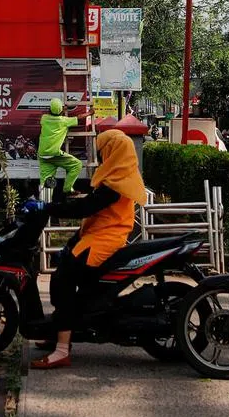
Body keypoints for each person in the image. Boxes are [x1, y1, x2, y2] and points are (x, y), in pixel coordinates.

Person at [31, 129, 146, 370]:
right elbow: (90, 207)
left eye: (103, 151)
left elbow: (85, 208)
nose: (101, 156)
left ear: (113, 152)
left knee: (64, 279)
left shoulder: (116, 183)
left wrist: (48, 208)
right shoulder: (118, 175)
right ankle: (59, 331)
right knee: (62, 277)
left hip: (105, 240)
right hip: (97, 235)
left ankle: (62, 350)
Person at [38, 98, 86, 196]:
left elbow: (54, 115)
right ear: (61, 111)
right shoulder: (64, 121)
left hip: (43, 155)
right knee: (77, 165)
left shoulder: (44, 118)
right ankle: (68, 189)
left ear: (49, 109)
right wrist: (90, 113)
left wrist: (62, 110)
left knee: (46, 180)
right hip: (55, 154)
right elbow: (79, 117)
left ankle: (45, 202)